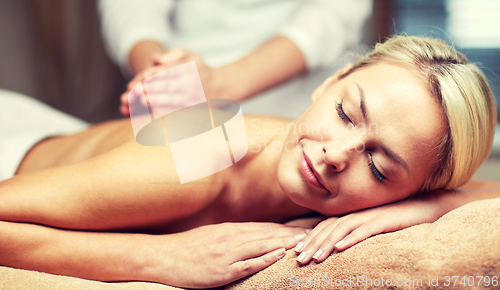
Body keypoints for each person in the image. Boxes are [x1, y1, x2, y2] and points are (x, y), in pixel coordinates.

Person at [0, 36, 499, 289]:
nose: (334, 155)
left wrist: (418, 210)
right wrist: (161, 259)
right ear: (330, 82)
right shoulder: (206, 157)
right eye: (345, 113)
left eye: (379, 167)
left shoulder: (405, 197)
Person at [98, 0, 378, 115]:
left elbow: (332, 10)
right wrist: (161, 79)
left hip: (295, 105)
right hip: (178, 102)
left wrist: (219, 85)